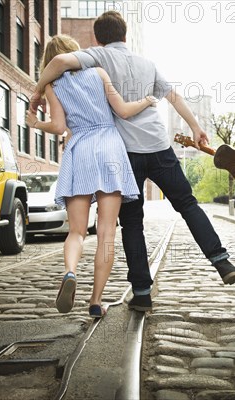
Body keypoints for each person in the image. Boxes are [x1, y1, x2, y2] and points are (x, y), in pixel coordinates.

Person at [30, 11, 235, 313]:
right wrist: (196, 128)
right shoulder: (147, 64)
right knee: (187, 204)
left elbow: (60, 62)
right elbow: (174, 97)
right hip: (158, 146)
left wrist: (38, 91)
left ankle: (142, 292)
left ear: (96, 38)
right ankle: (221, 260)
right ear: (125, 35)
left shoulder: (96, 57)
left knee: (132, 224)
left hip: (124, 155)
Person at [25, 34, 156, 318]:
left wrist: (37, 123)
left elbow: (59, 126)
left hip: (80, 150)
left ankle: (70, 273)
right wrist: (146, 100)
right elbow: (122, 110)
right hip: (110, 148)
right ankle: (95, 301)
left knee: (77, 231)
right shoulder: (98, 72)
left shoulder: (52, 86)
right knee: (107, 233)